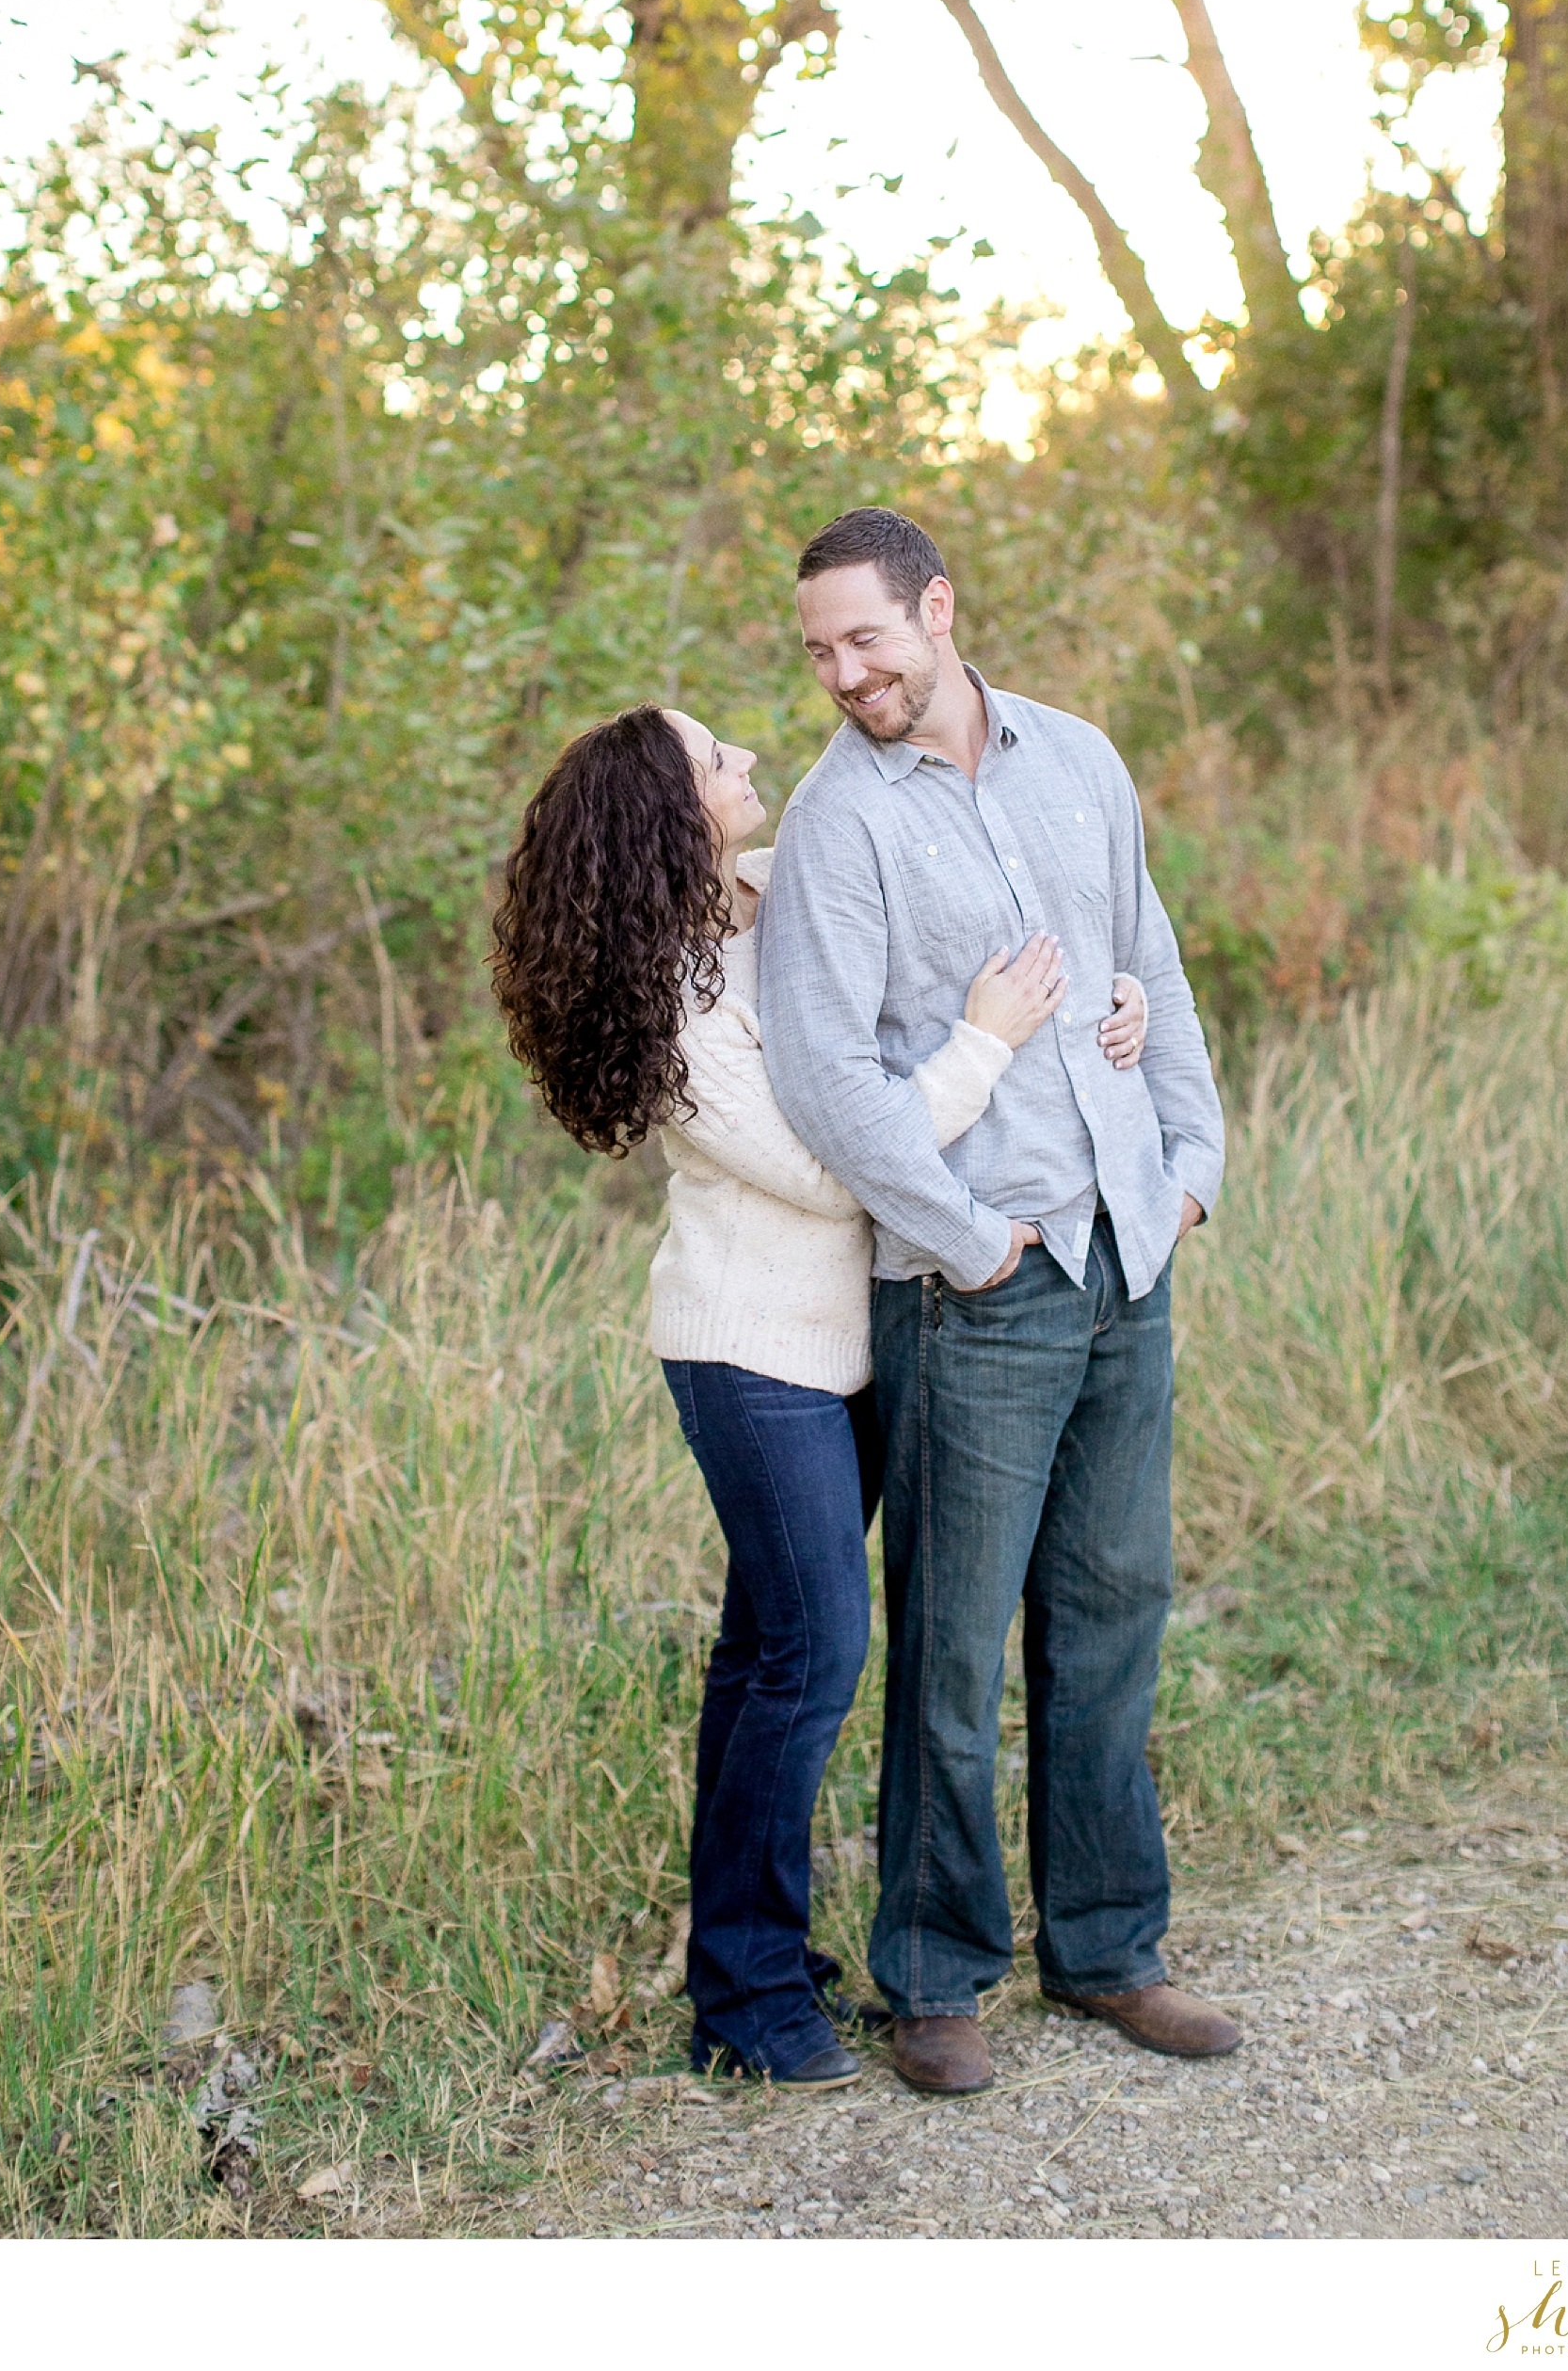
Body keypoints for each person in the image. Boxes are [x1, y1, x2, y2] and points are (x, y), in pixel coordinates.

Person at [490, 699, 1148, 2090]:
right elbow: (836, 1160)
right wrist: (981, 1041)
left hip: (845, 1347)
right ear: (673, 815)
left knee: (764, 1656)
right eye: (719, 764)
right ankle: (744, 1996)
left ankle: (755, 1952)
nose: (750, 767)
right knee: (809, 1658)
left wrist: (1113, 991)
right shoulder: (680, 996)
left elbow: (911, 892)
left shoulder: (766, 893)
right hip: (753, 1359)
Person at [760, 506, 1240, 2096]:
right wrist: (965, 1240)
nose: (844, 673)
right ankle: (938, 1973)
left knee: (1111, 1617)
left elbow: (1149, 968)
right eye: (820, 648)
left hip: (1124, 1256)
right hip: (978, 1288)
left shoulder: (1078, 759)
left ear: (939, 609)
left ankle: (1108, 1950)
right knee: (953, 1648)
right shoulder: (840, 823)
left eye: (868, 638)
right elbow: (831, 1077)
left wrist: (1188, 1168)